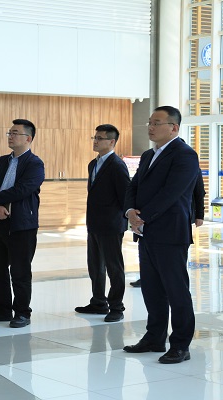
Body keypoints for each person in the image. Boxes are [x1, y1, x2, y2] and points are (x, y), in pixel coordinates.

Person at [123, 106, 199, 364]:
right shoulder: (148, 155)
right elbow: (133, 186)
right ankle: (154, 338)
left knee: (176, 291)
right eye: (149, 122)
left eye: (156, 123)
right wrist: (130, 211)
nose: (150, 127)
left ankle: (180, 345)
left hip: (170, 233)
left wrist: (142, 216)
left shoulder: (185, 155)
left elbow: (172, 193)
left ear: (173, 128)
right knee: (152, 289)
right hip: (146, 232)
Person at [0, 119, 44, 328]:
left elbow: (22, 190)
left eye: (15, 133)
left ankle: (22, 313)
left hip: (22, 225)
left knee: (20, 270)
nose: (11, 136)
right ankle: (1, 309)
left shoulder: (34, 164)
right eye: (9, 132)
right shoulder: (1, 161)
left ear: (28, 138)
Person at [75, 124, 130, 322]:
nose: (95, 141)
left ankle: (117, 307)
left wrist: (126, 219)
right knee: (95, 266)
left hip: (111, 225)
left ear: (112, 142)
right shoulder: (93, 164)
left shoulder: (117, 165)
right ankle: (98, 302)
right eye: (95, 138)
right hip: (95, 223)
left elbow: (125, 196)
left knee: (114, 268)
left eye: (100, 138)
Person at [129, 167, 205, 288]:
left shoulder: (190, 165)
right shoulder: (153, 164)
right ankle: (147, 278)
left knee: (174, 259)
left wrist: (200, 214)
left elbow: (199, 191)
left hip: (178, 219)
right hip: (152, 219)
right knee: (151, 255)